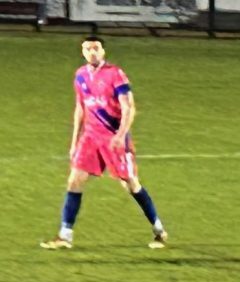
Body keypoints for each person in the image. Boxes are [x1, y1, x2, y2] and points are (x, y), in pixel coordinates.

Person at [41, 36, 168, 250]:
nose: (92, 52)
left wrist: (120, 135)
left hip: (113, 139)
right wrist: (74, 141)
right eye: (87, 49)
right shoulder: (80, 75)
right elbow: (80, 108)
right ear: (82, 52)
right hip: (90, 137)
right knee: (74, 181)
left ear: (103, 51)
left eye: (96, 48)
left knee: (131, 184)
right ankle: (65, 236)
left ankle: (158, 230)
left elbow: (129, 107)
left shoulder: (115, 74)